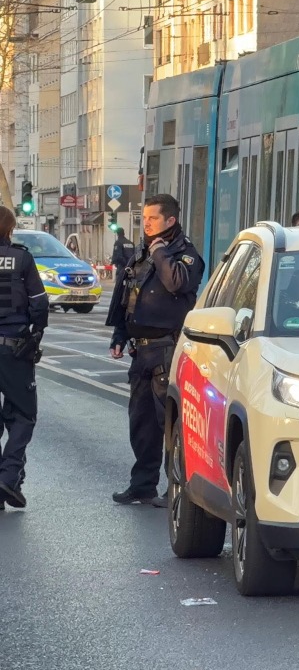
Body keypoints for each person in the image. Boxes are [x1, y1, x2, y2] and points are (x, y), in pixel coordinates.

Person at [107, 193, 204, 506]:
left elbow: (176, 283)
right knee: (141, 423)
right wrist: (120, 334)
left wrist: (161, 251)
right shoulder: (142, 252)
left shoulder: (184, 254)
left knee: (169, 423)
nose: (145, 223)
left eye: (152, 219)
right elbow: (128, 294)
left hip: (168, 350)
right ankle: (142, 484)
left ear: (170, 220)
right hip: (142, 351)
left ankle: (175, 486)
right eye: (144, 218)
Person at [0, 206, 48, 510]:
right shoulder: (21, 257)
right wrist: (36, 335)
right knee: (23, 414)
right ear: (9, 229)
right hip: (13, 347)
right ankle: (8, 475)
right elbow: (39, 304)